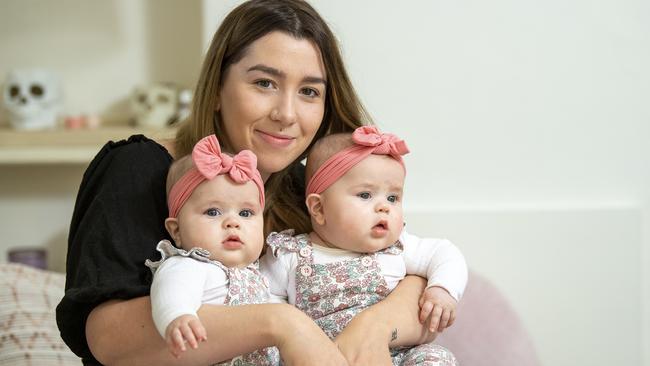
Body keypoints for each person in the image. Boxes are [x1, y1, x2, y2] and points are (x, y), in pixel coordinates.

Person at [56, 0, 462, 365]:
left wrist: (373, 328)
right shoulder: (139, 168)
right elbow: (107, 339)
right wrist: (280, 323)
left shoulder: (315, 192)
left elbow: (412, 274)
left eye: (308, 91)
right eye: (264, 83)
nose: (286, 113)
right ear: (216, 89)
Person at [261, 126, 466, 365]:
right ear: (319, 208)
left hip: (398, 355)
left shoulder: (398, 247)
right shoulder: (289, 254)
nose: (384, 207)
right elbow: (266, 302)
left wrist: (442, 290)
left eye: (393, 198)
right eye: (366, 195)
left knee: (436, 358)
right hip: (322, 356)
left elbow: (445, 253)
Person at [146, 134, 278, 365]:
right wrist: (177, 316)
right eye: (213, 212)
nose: (232, 222)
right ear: (176, 231)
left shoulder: (260, 273)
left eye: (245, 213)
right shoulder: (190, 266)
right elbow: (171, 290)